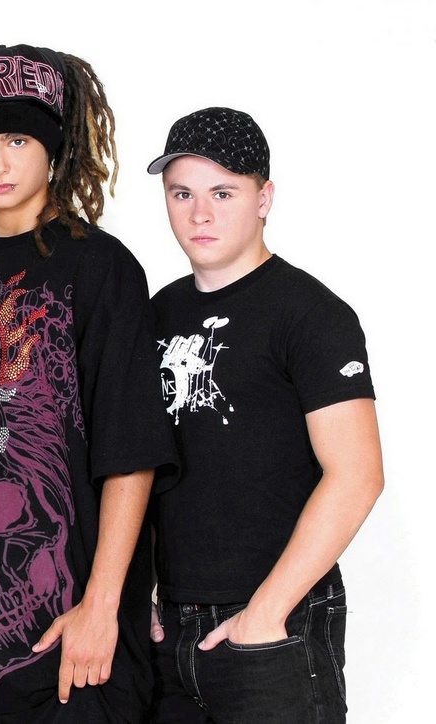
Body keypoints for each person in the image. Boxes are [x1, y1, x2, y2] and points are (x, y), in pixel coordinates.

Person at [0, 45, 178, 723]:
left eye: (17, 141)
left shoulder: (101, 268)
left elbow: (131, 453)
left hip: (69, 635)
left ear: (52, 145)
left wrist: (103, 606)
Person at [145, 106, 384, 723]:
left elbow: (358, 474)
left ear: (264, 198)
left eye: (223, 193)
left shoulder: (311, 313)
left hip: (276, 626)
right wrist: (145, 587)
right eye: (182, 193)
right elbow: (147, 466)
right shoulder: (157, 313)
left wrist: (267, 613)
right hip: (170, 630)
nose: (200, 214)